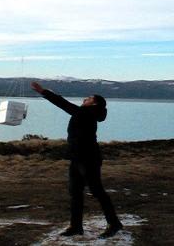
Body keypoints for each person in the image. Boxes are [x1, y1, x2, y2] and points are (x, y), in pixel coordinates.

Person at [31, 81, 123, 238]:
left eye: (88, 98)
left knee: (97, 191)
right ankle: (76, 227)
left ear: (94, 103)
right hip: (77, 158)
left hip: (89, 160)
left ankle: (114, 224)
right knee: (75, 192)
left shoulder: (87, 113)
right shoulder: (86, 112)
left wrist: (43, 92)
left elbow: (63, 104)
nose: (85, 99)